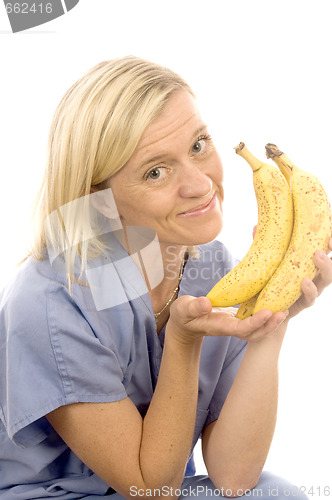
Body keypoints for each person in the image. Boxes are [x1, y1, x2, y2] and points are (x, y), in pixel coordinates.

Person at [0, 56, 331, 500]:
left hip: (161, 486)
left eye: (198, 145)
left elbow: (234, 475)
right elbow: (148, 487)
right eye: (156, 171)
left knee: (277, 494)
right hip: (49, 494)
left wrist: (273, 322)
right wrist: (182, 341)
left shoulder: (209, 264)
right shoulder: (54, 298)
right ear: (99, 194)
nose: (199, 185)